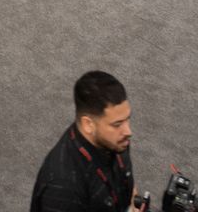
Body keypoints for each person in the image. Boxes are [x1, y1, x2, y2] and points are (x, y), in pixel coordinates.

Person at [31, 71, 138, 212]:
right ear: (88, 124)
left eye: (127, 119)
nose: (128, 131)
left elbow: (127, 185)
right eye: (117, 124)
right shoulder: (63, 186)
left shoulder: (116, 141)